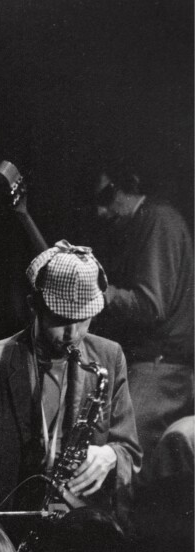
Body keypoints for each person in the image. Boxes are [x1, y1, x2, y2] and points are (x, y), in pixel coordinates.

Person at [0, 241, 142, 516]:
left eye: (84, 319)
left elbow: (130, 453)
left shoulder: (110, 356)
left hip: (81, 525)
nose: (72, 333)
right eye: (61, 319)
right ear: (33, 306)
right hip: (9, 526)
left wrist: (110, 456)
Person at [87, 159, 194, 478]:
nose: (101, 212)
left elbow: (150, 305)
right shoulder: (140, 224)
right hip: (148, 363)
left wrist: (100, 293)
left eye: (107, 197)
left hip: (164, 369)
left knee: (117, 446)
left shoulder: (159, 220)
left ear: (131, 184)